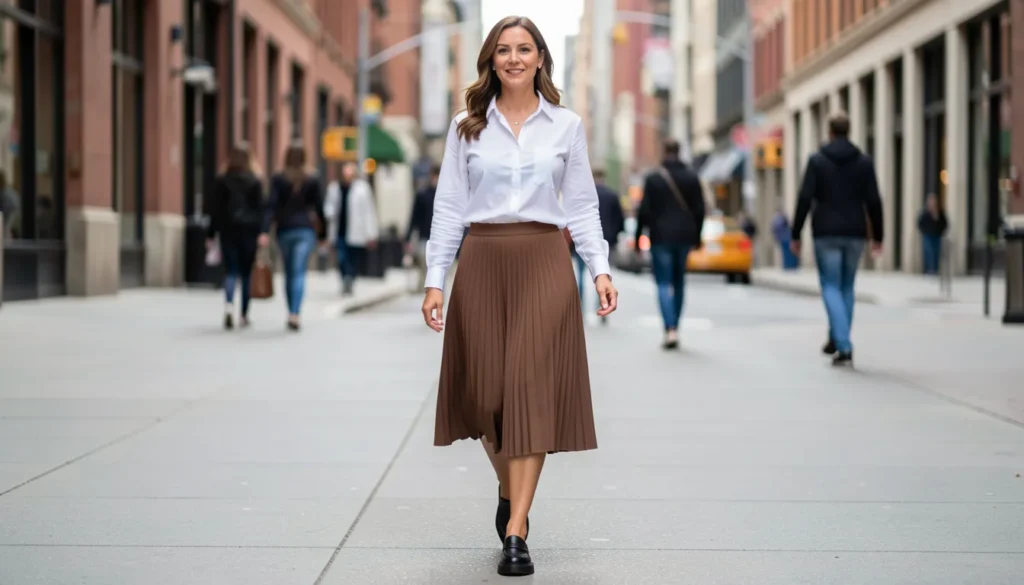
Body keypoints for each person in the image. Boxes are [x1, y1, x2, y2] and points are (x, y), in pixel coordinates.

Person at [420, 15, 618, 577]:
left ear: (539, 58)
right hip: (481, 261)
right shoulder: (466, 127)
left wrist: (599, 268)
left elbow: (580, 205)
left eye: (523, 49)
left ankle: (516, 529)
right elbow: (449, 208)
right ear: (491, 59)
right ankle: (511, 489)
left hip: (542, 262)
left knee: (528, 388)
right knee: (486, 397)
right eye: (503, 50)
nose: (513, 58)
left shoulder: (566, 125)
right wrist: (436, 278)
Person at [791, 112, 884, 366]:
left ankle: (843, 343)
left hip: (826, 233)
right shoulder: (863, 162)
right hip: (855, 232)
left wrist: (795, 233)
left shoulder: (817, 161)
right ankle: (836, 337)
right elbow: (874, 200)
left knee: (831, 286)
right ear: (848, 131)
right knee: (846, 287)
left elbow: (804, 198)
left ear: (830, 132)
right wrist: (878, 235)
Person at [635, 140, 706, 349]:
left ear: (664, 152)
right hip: (684, 237)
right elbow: (700, 210)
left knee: (663, 283)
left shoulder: (654, 178)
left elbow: (644, 210)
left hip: (660, 238)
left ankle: (670, 329)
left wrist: (639, 237)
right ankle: (676, 325)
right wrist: (697, 237)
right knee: (680, 282)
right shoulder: (692, 177)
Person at [259, 145, 327, 331]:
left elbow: (270, 207)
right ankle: (295, 313)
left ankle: (291, 311)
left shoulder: (279, 179)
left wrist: (264, 231)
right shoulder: (311, 178)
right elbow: (319, 209)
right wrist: (323, 235)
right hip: (305, 230)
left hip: (285, 230)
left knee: (289, 272)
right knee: (298, 272)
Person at [207, 145, 265, 329]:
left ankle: (229, 306)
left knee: (231, 271)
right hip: (249, 231)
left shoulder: (222, 180)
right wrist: (262, 232)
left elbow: (215, 210)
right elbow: (260, 209)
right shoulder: (255, 181)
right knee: (247, 273)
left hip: (228, 230)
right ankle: (244, 315)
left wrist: (210, 233)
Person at [570, 168, 625, 323]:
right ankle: (602, 305)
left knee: (580, 275)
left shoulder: (584, 195)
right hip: (606, 240)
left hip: (581, 240)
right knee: (602, 275)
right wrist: (614, 235)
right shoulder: (612, 195)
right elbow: (620, 220)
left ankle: (580, 307)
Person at [326, 162, 379, 295]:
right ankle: (345, 278)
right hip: (339, 230)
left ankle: (350, 279)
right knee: (341, 257)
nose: (347, 175)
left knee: (354, 257)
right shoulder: (334, 188)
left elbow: (368, 212)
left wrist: (371, 234)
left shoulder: (362, 188)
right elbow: (328, 207)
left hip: (356, 230)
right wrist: (330, 213)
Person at [405, 163, 440, 290]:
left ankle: (436, 289)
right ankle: (428, 288)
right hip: (425, 236)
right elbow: (414, 217)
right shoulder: (422, 195)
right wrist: (408, 237)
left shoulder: (446, 196)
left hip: (442, 237)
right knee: (425, 265)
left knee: (439, 268)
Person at [918, 193, 948, 275]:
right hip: (927, 235)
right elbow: (920, 223)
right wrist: (923, 231)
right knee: (928, 252)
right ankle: (929, 269)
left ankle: (935, 269)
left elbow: (944, 223)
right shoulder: (925, 213)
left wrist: (941, 231)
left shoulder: (939, 212)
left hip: (937, 235)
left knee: (936, 252)